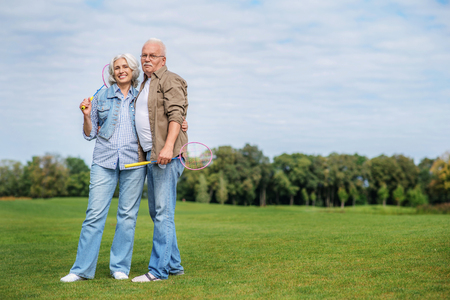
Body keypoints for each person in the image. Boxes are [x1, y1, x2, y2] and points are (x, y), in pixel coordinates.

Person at [60, 53, 188, 282]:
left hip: (134, 163)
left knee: (127, 217)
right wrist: (87, 116)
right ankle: (80, 270)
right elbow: (89, 134)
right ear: (112, 72)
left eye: (125, 66)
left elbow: (162, 117)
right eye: (116, 67)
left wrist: (183, 123)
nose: (121, 70)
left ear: (132, 70)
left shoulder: (142, 97)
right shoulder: (101, 96)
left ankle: (119, 267)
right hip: (104, 161)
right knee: (94, 216)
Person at [132, 38, 188, 282]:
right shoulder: (145, 84)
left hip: (167, 157)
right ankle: (174, 265)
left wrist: (168, 147)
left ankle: (158, 271)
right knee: (158, 214)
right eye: (144, 55)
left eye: (152, 56)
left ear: (163, 60)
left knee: (163, 214)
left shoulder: (170, 79)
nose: (147, 59)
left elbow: (177, 114)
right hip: (152, 157)